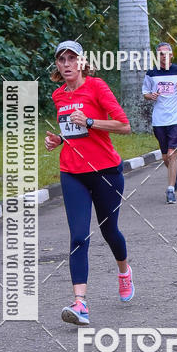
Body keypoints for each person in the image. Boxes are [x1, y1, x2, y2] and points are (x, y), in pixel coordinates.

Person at [45, 41, 134, 326]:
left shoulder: (97, 87)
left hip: (106, 171)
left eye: (72, 58)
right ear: (57, 66)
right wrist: (59, 139)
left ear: (82, 62)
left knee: (110, 231)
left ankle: (124, 271)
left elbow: (124, 125)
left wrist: (91, 122)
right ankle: (80, 303)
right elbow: (71, 131)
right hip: (72, 172)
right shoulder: (58, 95)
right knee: (78, 236)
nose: (67, 63)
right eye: (62, 59)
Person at [142, 42, 177, 204]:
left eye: (165, 53)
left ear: (171, 55)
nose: (163, 56)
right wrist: (152, 96)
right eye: (160, 54)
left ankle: (170, 190)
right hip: (159, 119)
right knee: (165, 157)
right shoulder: (151, 73)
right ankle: (174, 175)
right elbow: (145, 93)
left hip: (176, 118)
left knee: (172, 153)